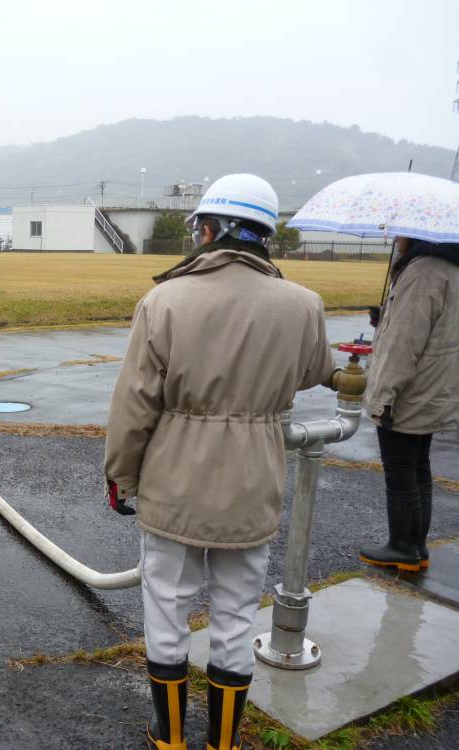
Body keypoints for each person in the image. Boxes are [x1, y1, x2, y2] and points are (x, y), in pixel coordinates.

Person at [104, 174, 336, 750]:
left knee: (167, 614)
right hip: (253, 484)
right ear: (263, 235)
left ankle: (170, 738)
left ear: (208, 230)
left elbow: (135, 405)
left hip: (174, 484)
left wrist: (121, 475)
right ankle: (224, 742)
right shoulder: (303, 304)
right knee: (235, 619)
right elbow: (314, 372)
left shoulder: (164, 301)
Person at [359, 237, 459, 572]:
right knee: (418, 469)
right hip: (433, 387)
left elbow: (404, 342)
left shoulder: (423, 271)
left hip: (410, 391)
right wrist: (383, 318)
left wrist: (384, 395)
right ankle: (415, 546)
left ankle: (402, 546)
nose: (395, 238)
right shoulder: (448, 268)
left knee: (401, 471)